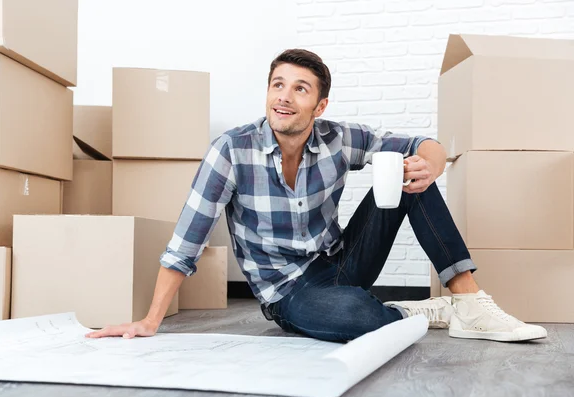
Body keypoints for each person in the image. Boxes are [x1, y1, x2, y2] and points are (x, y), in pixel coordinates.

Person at [86, 49, 546, 343]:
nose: (284, 98)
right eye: (278, 85)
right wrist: (149, 320)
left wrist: (434, 162)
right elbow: (187, 241)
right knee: (359, 322)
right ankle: (410, 311)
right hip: (287, 292)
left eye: (299, 89)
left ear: (319, 105)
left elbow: (421, 144)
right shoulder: (231, 150)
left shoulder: (338, 137)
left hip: (342, 262)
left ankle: (468, 302)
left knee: (409, 172)